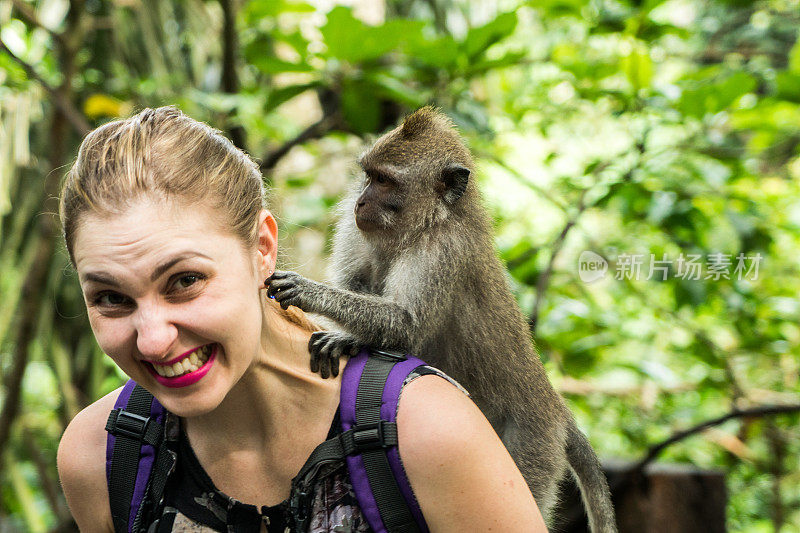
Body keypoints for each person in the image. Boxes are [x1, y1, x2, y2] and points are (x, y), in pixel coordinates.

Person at [56, 106, 547, 532]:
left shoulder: (425, 430)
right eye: (111, 298)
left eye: (184, 281)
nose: (154, 342)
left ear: (263, 250)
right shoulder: (101, 454)